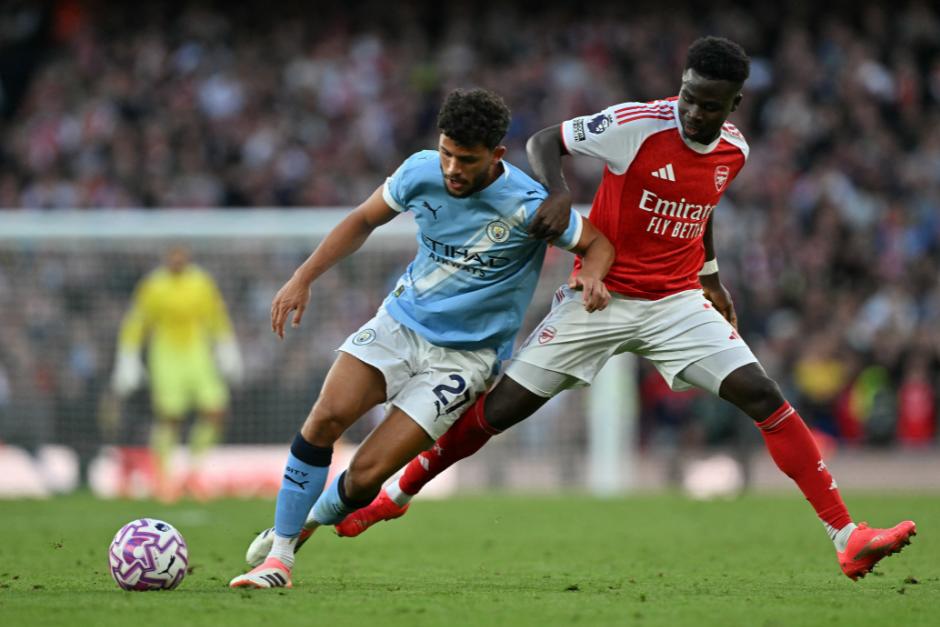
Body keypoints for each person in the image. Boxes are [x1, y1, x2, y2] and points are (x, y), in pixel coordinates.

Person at [306, 36, 917, 581]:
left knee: (764, 395)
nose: (694, 111)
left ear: (734, 105)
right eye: (688, 96)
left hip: (677, 302)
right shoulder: (635, 125)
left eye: (710, 103)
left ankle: (847, 535)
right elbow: (548, 140)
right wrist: (560, 189)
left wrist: (712, 278)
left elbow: (699, 213)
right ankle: (400, 493)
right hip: (598, 296)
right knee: (499, 411)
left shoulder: (735, 152)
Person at [228, 87, 614, 589]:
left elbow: (598, 243)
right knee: (325, 417)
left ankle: (304, 525)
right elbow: (363, 219)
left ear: (496, 155)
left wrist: (593, 275)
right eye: (447, 152)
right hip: (400, 324)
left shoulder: (527, 205)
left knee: (366, 476)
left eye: (466, 160)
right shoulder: (419, 171)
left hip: (464, 360)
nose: (452, 168)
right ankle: (279, 559)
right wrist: (303, 277)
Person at [111, 245, 243, 501]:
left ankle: (192, 472)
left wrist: (227, 346)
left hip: (197, 353)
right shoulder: (153, 286)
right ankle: (164, 481)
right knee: (169, 418)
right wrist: (127, 356)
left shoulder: (201, 282)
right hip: (166, 355)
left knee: (216, 411)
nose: (177, 258)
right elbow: (137, 321)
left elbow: (216, 316)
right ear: (166, 257)